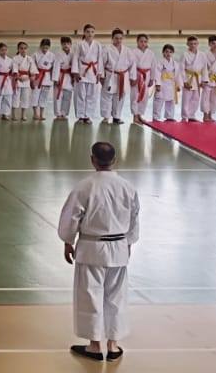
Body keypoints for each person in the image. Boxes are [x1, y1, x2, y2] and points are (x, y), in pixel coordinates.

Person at [58, 141, 140, 362]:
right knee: (116, 296)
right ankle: (113, 345)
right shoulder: (127, 187)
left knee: (90, 295)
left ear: (92, 160)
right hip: (119, 246)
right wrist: (128, 243)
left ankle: (94, 346)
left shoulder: (85, 187)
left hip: (91, 248)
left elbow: (71, 217)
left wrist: (68, 241)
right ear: (114, 160)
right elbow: (133, 218)